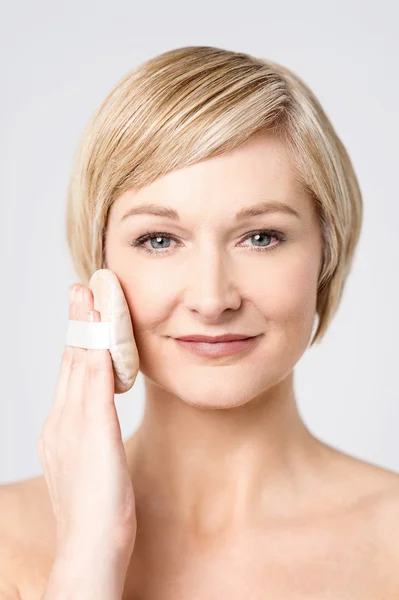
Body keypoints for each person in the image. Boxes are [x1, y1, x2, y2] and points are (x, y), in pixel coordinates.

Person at [1, 45, 399, 599]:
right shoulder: (7, 541)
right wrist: (90, 554)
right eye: (159, 240)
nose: (213, 300)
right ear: (100, 266)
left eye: (262, 237)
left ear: (326, 256)